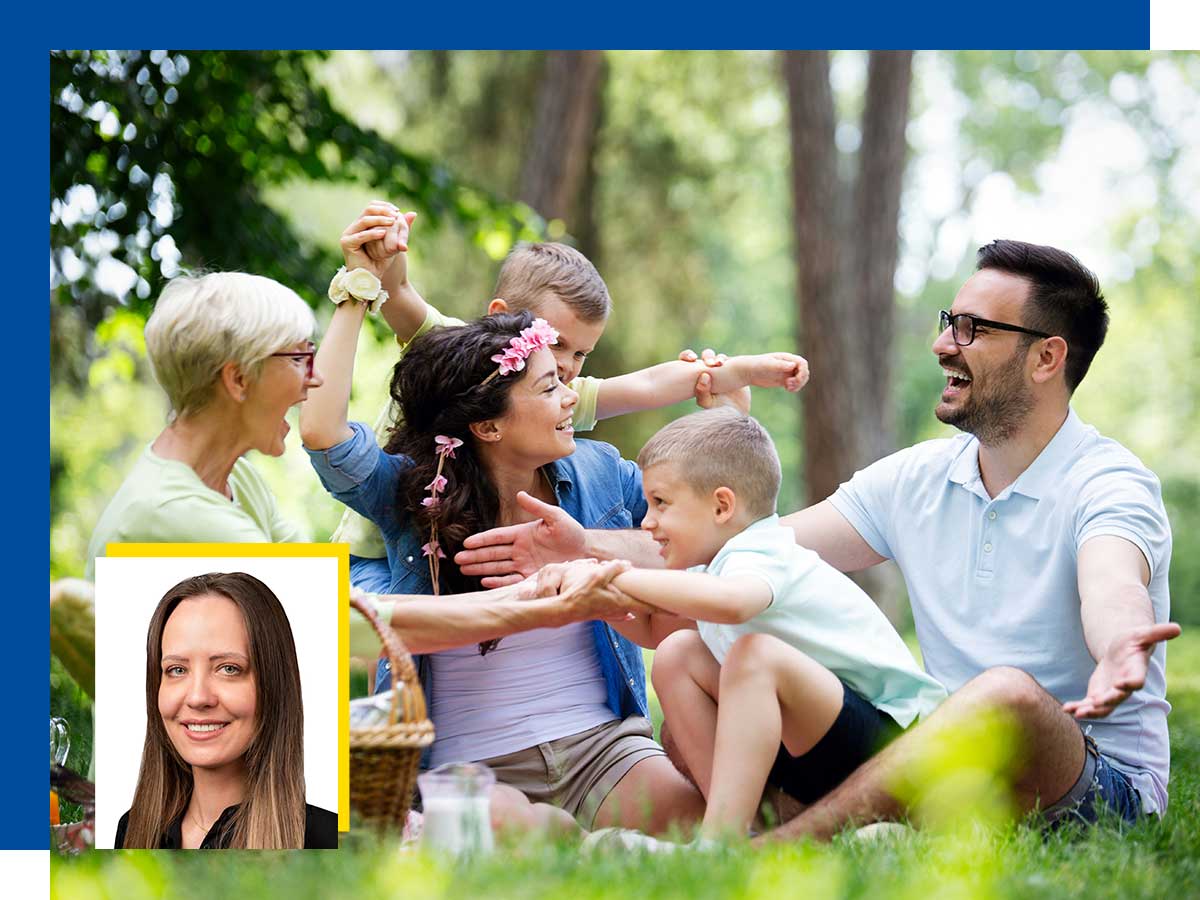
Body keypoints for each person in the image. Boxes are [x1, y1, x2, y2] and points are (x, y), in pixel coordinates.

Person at [457, 239, 1180, 835]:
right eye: (946, 321)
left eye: (972, 330)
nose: (941, 344)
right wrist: (588, 547)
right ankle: (761, 829)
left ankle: (783, 848)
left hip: (1083, 780)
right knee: (687, 642)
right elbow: (746, 548)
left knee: (1009, 695)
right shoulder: (918, 479)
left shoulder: (1108, 483)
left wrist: (1121, 641)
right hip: (939, 763)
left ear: (1046, 358)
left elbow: (1111, 583)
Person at [298, 220, 706, 836]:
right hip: (472, 768)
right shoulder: (415, 490)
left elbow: (691, 542)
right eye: (550, 385)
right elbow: (321, 433)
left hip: (601, 749)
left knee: (698, 827)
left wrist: (584, 546)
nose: (572, 394)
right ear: (488, 426)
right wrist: (357, 290)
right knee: (533, 834)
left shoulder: (599, 471)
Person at [330, 203, 809, 595]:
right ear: (504, 316)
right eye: (557, 343)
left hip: (451, 550)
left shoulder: (558, 396)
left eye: (581, 353)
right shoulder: (451, 346)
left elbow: (643, 386)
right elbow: (396, 290)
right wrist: (388, 246)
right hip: (371, 551)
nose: (567, 366)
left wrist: (734, 371)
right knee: (395, 642)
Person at [539, 409, 947, 849]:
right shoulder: (714, 564)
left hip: (898, 752)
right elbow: (655, 631)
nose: (647, 522)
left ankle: (718, 844)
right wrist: (595, 599)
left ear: (721, 505)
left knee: (755, 657)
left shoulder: (760, 551)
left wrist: (611, 576)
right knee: (677, 654)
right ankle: (742, 827)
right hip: (821, 748)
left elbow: (735, 604)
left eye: (661, 503)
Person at [86, 272, 322, 576]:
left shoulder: (238, 479)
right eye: (299, 358)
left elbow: (325, 586)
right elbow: (329, 612)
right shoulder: (174, 510)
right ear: (238, 379)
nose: (316, 378)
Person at [115, 572, 337, 849]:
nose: (198, 697)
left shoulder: (328, 840)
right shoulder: (131, 831)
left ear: (274, 684)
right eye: (177, 670)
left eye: (229, 669)